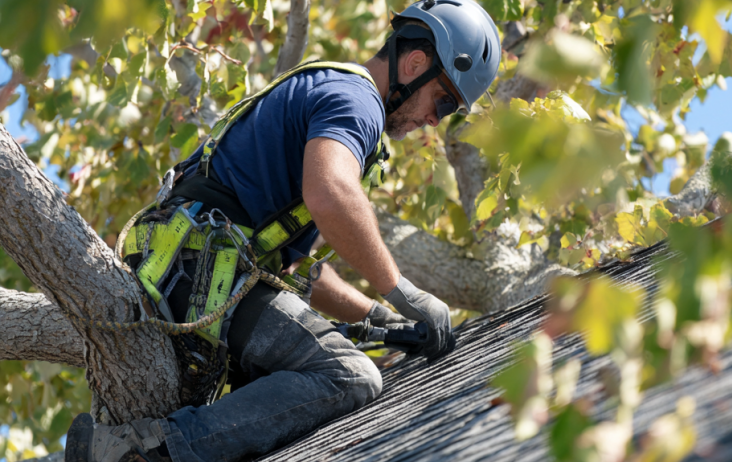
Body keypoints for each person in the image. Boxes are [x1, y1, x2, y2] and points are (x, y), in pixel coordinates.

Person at [66, 1, 501, 461]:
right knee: (348, 374)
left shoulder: (329, 87)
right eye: (444, 100)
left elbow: (296, 271)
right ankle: (141, 450)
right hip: (201, 271)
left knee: (281, 413)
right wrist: (403, 292)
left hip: (195, 268)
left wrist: (374, 316)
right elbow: (331, 192)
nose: (435, 119)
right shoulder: (357, 102)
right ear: (416, 64)